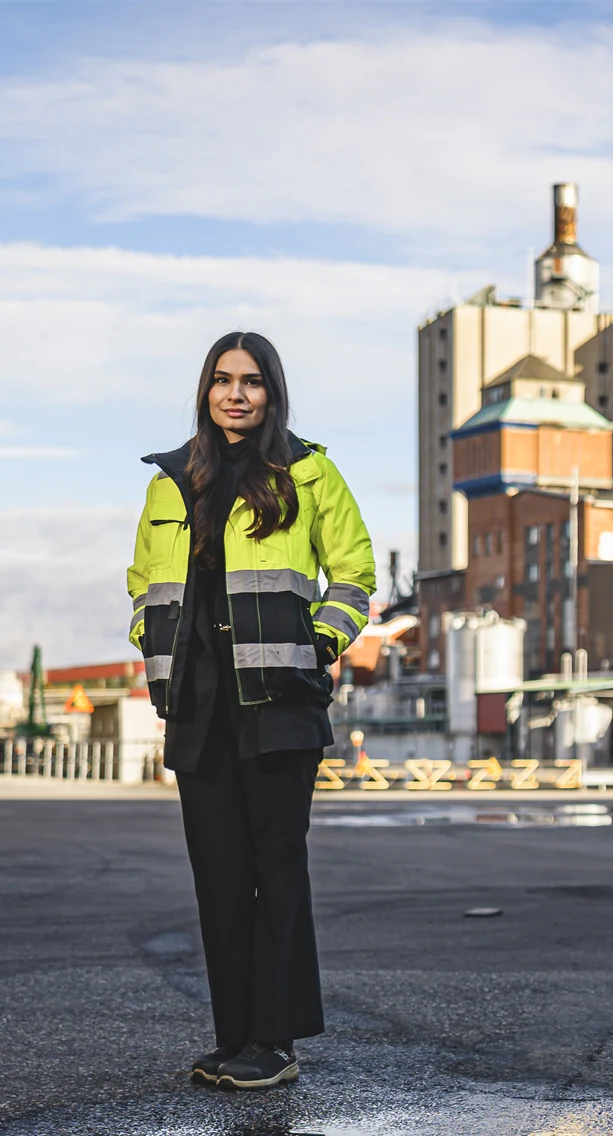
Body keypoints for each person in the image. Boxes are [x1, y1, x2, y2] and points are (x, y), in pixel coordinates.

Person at [128, 332, 375, 1090]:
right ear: (206, 390)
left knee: (278, 870)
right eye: (222, 380)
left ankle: (276, 1041)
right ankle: (233, 1036)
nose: (235, 394)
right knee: (220, 877)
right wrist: (150, 640)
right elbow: (143, 582)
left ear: (272, 393)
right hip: (198, 706)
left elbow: (355, 573)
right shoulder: (171, 483)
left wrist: (319, 643)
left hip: (279, 702)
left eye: (252, 381)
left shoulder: (309, 472)